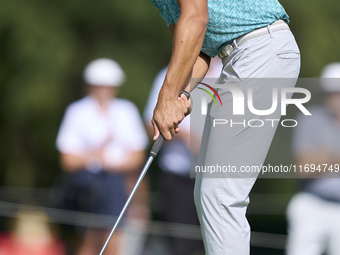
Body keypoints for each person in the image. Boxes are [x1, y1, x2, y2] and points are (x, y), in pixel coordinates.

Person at [148, 0, 301, 254]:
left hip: (259, 48)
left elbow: (196, 17)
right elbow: (198, 50)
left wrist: (167, 96)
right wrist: (181, 94)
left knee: (220, 193)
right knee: (208, 192)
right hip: (245, 54)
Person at [55, 58, 149, 255]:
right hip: (84, 184)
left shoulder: (126, 111)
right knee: (87, 239)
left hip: (116, 184)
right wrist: (94, 157)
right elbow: (67, 160)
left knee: (113, 237)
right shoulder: (77, 111)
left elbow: (138, 157)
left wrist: (111, 162)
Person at [144, 58, 222, 255]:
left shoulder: (233, 71)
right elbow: (151, 124)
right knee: (182, 246)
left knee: (218, 243)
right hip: (180, 179)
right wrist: (187, 137)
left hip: (220, 177)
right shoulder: (171, 74)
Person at [286, 63, 340, 255]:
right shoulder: (310, 120)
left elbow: (315, 161)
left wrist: (325, 157)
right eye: (331, 92)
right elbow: (305, 167)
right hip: (312, 204)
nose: (335, 97)